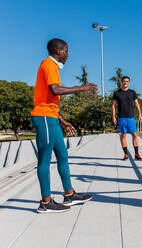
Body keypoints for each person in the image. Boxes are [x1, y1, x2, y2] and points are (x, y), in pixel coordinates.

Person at [31, 38, 97, 213]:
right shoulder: (49, 64)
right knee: (44, 160)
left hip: (51, 117)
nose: (68, 55)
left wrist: (60, 118)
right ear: (58, 51)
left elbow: (48, 96)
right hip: (44, 117)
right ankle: (45, 202)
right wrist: (81, 88)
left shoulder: (52, 66)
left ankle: (69, 195)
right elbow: (55, 90)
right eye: (67, 51)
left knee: (62, 155)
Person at [112, 76, 142, 160]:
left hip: (131, 117)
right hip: (121, 117)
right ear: (122, 82)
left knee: (134, 135)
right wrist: (113, 116)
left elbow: (137, 104)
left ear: (129, 82)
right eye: (124, 81)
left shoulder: (132, 92)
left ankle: (136, 154)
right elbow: (113, 105)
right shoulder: (117, 93)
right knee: (123, 135)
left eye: (127, 81)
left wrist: (140, 113)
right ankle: (125, 154)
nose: (125, 82)